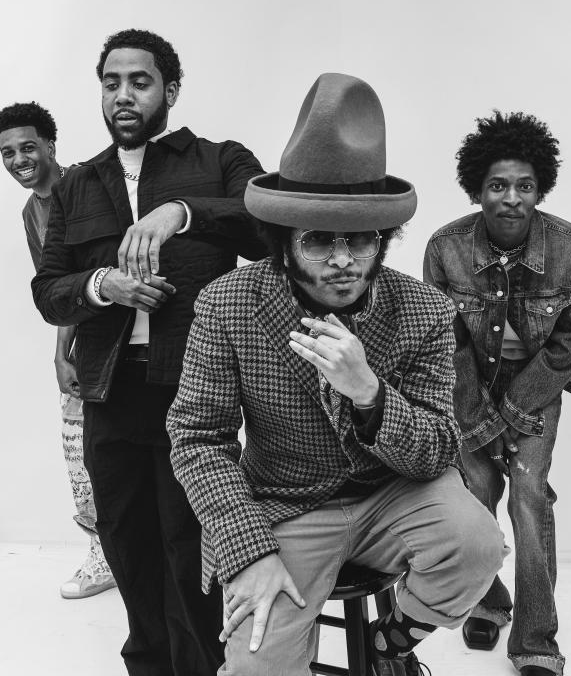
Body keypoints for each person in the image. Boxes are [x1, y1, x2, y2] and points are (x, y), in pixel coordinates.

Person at [168, 73, 507, 676]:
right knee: (255, 671)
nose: (345, 260)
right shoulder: (227, 305)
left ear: (384, 238)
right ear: (283, 240)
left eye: (362, 240)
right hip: (286, 505)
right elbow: (198, 440)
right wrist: (249, 552)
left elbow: (438, 451)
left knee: (478, 544)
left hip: (393, 492)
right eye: (321, 241)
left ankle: (389, 645)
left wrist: (370, 394)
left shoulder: (424, 309)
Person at [32, 28, 267, 675]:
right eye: (111, 83)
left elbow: (269, 225)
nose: (123, 95)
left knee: (190, 548)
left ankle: (206, 667)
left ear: (170, 89)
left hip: (194, 393)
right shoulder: (79, 184)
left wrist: (182, 213)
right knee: (127, 546)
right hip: (110, 394)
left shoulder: (218, 160)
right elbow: (50, 292)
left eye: (139, 81)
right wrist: (101, 284)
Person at [424, 111, 571, 676]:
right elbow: (442, 341)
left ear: (539, 188)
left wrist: (518, 408)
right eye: (498, 185)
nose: (512, 198)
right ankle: (487, 599)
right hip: (466, 386)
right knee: (476, 488)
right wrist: (478, 418)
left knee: (526, 491)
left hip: (540, 386)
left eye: (524, 186)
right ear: (477, 189)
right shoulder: (445, 248)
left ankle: (536, 640)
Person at [0, 101, 116, 600]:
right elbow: (56, 289)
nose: (19, 159)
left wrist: (70, 346)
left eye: (28, 147)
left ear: (51, 146)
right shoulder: (31, 212)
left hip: (127, 337)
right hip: (83, 341)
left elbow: (100, 273)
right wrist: (61, 353)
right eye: (8, 152)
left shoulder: (87, 185)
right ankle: (104, 554)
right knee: (79, 452)